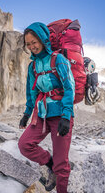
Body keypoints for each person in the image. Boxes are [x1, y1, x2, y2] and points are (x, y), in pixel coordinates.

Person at [18, 22, 75, 193]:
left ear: (43, 39)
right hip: (41, 115)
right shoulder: (32, 66)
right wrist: (27, 113)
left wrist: (66, 116)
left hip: (60, 116)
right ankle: (50, 164)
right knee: (25, 145)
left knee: (62, 164)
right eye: (28, 44)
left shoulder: (58, 59)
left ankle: (61, 185)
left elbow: (69, 88)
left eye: (34, 42)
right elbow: (32, 92)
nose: (31, 46)